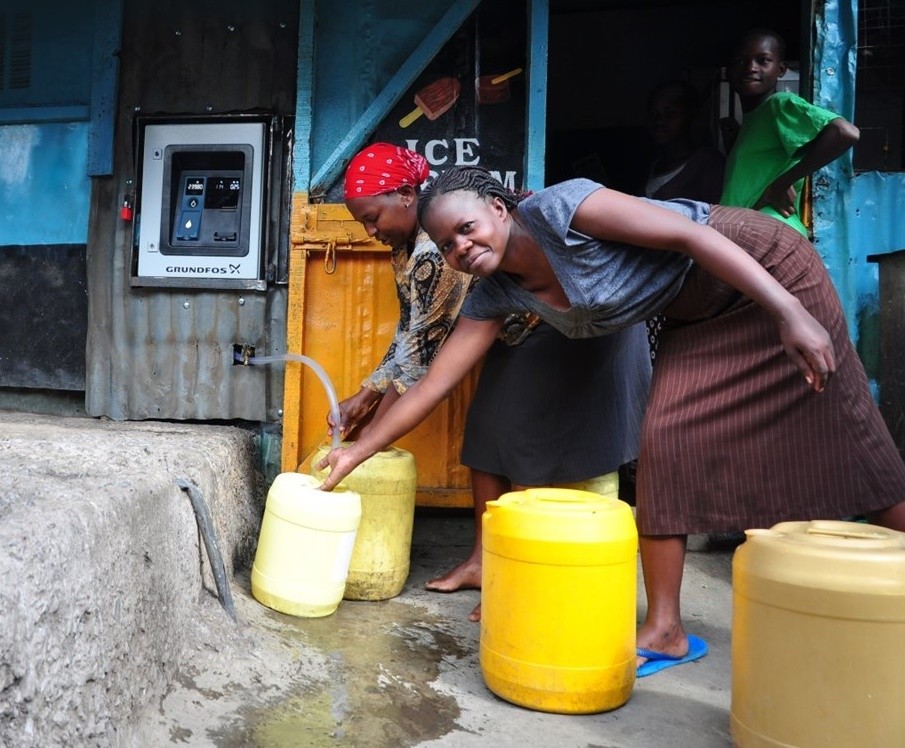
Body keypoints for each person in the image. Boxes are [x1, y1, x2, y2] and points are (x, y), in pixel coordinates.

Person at [317, 165, 905, 675]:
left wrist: (788, 309)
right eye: (446, 245)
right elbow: (433, 384)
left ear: (498, 208)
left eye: (466, 229)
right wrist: (358, 450)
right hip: (696, 316)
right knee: (664, 441)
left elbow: (688, 233)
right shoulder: (492, 293)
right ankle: (666, 631)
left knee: (845, 425)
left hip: (760, 270)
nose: (461, 249)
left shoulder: (561, 208)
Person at [335, 144, 651, 621]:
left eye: (373, 217)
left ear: (405, 195)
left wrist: (366, 442)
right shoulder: (414, 247)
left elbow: (424, 358)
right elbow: (414, 328)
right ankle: (482, 563)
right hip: (509, 325)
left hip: (562, 321)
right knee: (485, 438)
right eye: (362, 223)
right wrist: (368, 390)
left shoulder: (435, 251)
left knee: (526, 446)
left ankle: (516, 574)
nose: (370, 231)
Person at [719, 28, 859, 237]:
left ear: (781, 70)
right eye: (740, 62)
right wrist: (734, 142)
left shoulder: (779, 104)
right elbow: (754, 174)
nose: (750, 68)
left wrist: (782, 184)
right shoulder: (753, 120)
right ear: (728, 72)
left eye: (763, 60)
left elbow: (845, 132)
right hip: (749, 232)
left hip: (766, 231)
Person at [643, 80, 725, 204]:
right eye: (654, 114)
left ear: (691, 115)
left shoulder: (709, 163)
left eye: (670, 114)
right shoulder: (655, 165)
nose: (659, 121)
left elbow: (720, 215)